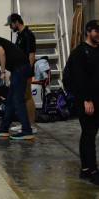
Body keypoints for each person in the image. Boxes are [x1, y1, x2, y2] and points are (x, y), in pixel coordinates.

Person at [65, 20, 99, 185]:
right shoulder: (79, 52)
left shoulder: (97, 50)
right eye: (96, 31)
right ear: (88, 32)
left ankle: (85, 169)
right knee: (89, 134)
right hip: (86, 100)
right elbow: (79, 79)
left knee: (88, 134)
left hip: (96, 98)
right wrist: (86, 100)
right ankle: (92, 171)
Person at [5, 13, 37, 133]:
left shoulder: (28, 35)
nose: (10, 27)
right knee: (21, 97)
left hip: (25, 72)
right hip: (19, 71)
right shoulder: (20, 35)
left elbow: (31, 55)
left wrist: (27, 72)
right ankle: (24, 123)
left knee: (27, 96)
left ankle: (31, 125)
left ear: (16, 22)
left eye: (11, 25)